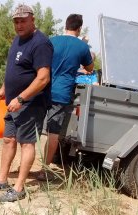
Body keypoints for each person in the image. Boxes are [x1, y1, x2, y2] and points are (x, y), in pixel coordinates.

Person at [0, 3, 53, 202]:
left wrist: (21, 98)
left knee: (26, 143)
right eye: (16, 21)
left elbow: (43, 78)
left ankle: (19, 188)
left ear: (32, 19)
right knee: (8, 139)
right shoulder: (17, 40)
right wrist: (4, 88)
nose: (19, 24)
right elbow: (15, 69)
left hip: (30, 103)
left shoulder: (41, 43)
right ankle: (1, 179)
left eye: (23, 20)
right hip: (12, 102)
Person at [37, 14, 94, 181]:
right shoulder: (82, 46)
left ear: (65, 25)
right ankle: (43, 170)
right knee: (53, 133)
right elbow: (89, 68)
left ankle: (23, 166)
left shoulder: (52, 40)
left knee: (33, 131)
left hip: (42, 89)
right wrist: (83, 45)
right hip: (61, 94)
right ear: (79, 28)